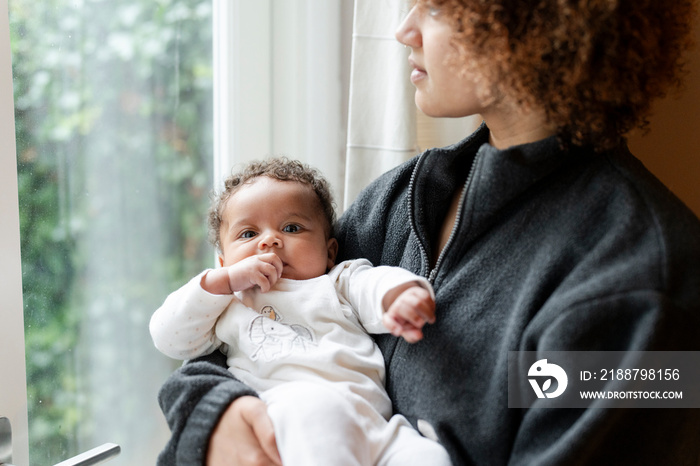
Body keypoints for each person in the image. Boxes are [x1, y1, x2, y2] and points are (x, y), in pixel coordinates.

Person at [156, 1, 700, 465]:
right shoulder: (405, 196)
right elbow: (264, 320)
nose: (404, 28)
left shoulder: (645, 283)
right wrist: (212, 410)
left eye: (438, 5)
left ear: (534, 22)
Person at [150, 158, 452, 466]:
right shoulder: (230, 303)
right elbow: (168, 336)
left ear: (330, 251)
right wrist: (220, 284)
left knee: (428, 456)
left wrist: (400, 296)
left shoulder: (338, 282)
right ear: (224, 262)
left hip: (375, 425)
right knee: (317, 412)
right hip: (291, 421)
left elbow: (375, 284)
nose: (270, 240)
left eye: (292, 228)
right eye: (248, 234)